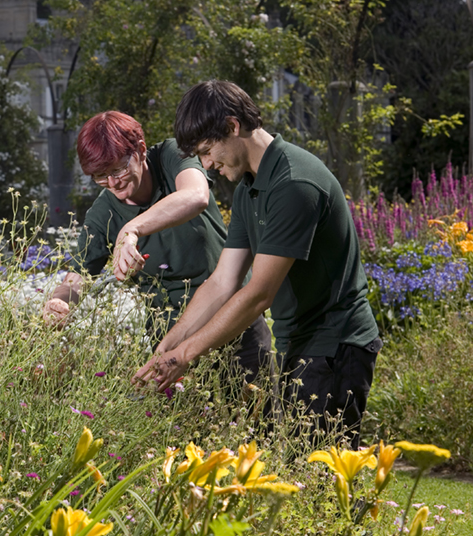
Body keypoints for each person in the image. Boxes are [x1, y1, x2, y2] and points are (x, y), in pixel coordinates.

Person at [132, 80, 381, 446]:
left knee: (323, 480)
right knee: (306, 478)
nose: (207, 165)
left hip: (335, 344)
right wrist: (166, 348)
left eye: (207, 150)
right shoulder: (251, 187)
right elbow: (222, 281)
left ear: (233, 127)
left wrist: (185, 355)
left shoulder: (293, 183)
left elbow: (258, 294)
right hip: (301, 342)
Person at [43, 110, 271, 388]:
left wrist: (131, 230)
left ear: (140, 150)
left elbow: (195, 196)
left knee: (257, 417)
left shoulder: (170, 156)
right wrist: (60, 303)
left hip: (233, 319)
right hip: (170, 338)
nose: (112, 183)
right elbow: (77, 277)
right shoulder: (104, 214)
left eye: (117, 170)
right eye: (100, 176)